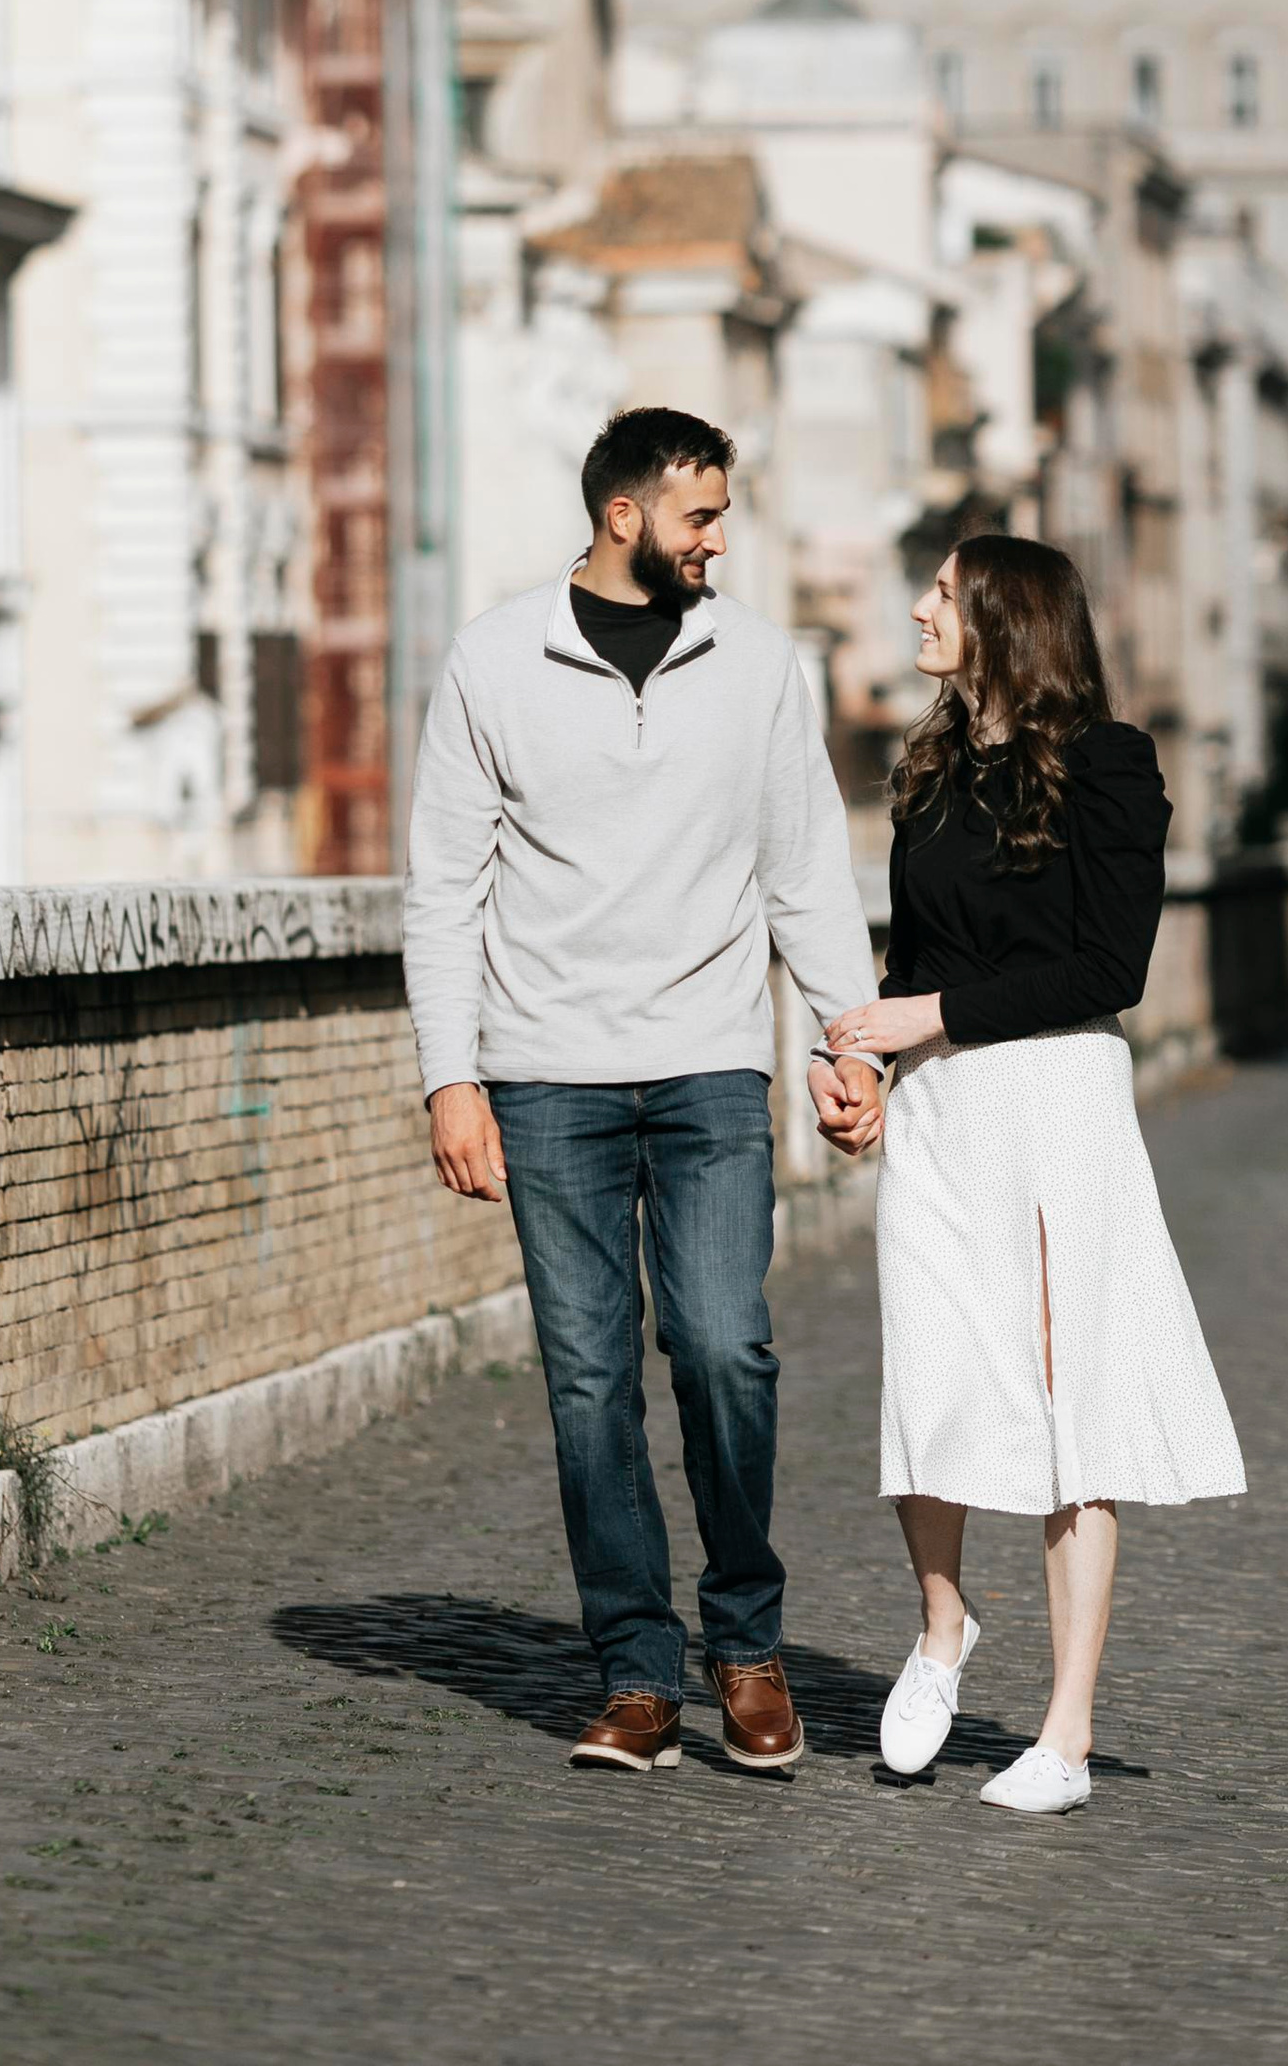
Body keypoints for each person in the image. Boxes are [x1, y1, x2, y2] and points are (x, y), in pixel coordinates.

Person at [405, 406, 884, 1779]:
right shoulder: (496, 659)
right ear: (626, 516)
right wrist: (452, 1077)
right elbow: (445, 892)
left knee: (727, 1347)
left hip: (711, 1064)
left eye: (722, 516)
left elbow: (805, 870)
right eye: (700, 518)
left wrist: (847, 1047)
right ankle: (634, 1672)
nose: (717, 539)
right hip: (547, 1074)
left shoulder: (758, 665)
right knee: (589, 1382)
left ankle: (746, 1642)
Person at [825, 535, 1243, 1815]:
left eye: (945, 595)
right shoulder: (930, 768)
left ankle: (1063, 1733)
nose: (919, 609)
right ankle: (943, 1627)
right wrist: (863, 1071)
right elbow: (909, 971)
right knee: (931, 1380)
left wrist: (924, 1016)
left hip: (1057, 1106)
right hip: (944, 1112)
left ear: (1011, 620)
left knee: (1073, 1412)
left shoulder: (1109, 767)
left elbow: (1106, 969)